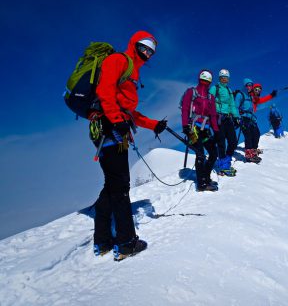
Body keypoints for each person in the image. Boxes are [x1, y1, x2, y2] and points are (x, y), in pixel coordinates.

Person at [91, 30, 167, 261]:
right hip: (108, 129)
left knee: (113, 184)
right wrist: (116, 120)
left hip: (114, 128)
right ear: (134, 44)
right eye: (144, 48)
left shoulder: (132, 73)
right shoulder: (119, 60)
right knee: (121, 185)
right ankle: (125, 243)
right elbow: (104, 91)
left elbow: (130, 112)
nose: (147, 54)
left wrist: (153, 124)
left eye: (151, 52)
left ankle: (102, 240)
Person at [181, 70, 220, 191]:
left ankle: (206, 177)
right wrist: (185, 126)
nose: (205, 82)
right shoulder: (191, 92)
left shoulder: (210, 97)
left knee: (213, 153)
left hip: (206, 129)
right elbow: (185, 109)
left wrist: (216, 130)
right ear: (200, 79)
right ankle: (201, 183)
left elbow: (213, 115)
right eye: (204, 80)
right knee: (200, 154)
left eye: (207, 81)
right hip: (193, 128)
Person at [209, 69, 240, 176]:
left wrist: (236, 117)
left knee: (233, 142)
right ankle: (223, 164)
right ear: (219, 78)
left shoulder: (229, 90)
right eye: (222, 77)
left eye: (226, 78)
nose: (224, 79)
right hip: (218, 117)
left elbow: (232, 105)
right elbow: (210, 101)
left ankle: (225, 161)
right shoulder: (215, 88)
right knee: (221, 142)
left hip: (228, 118)